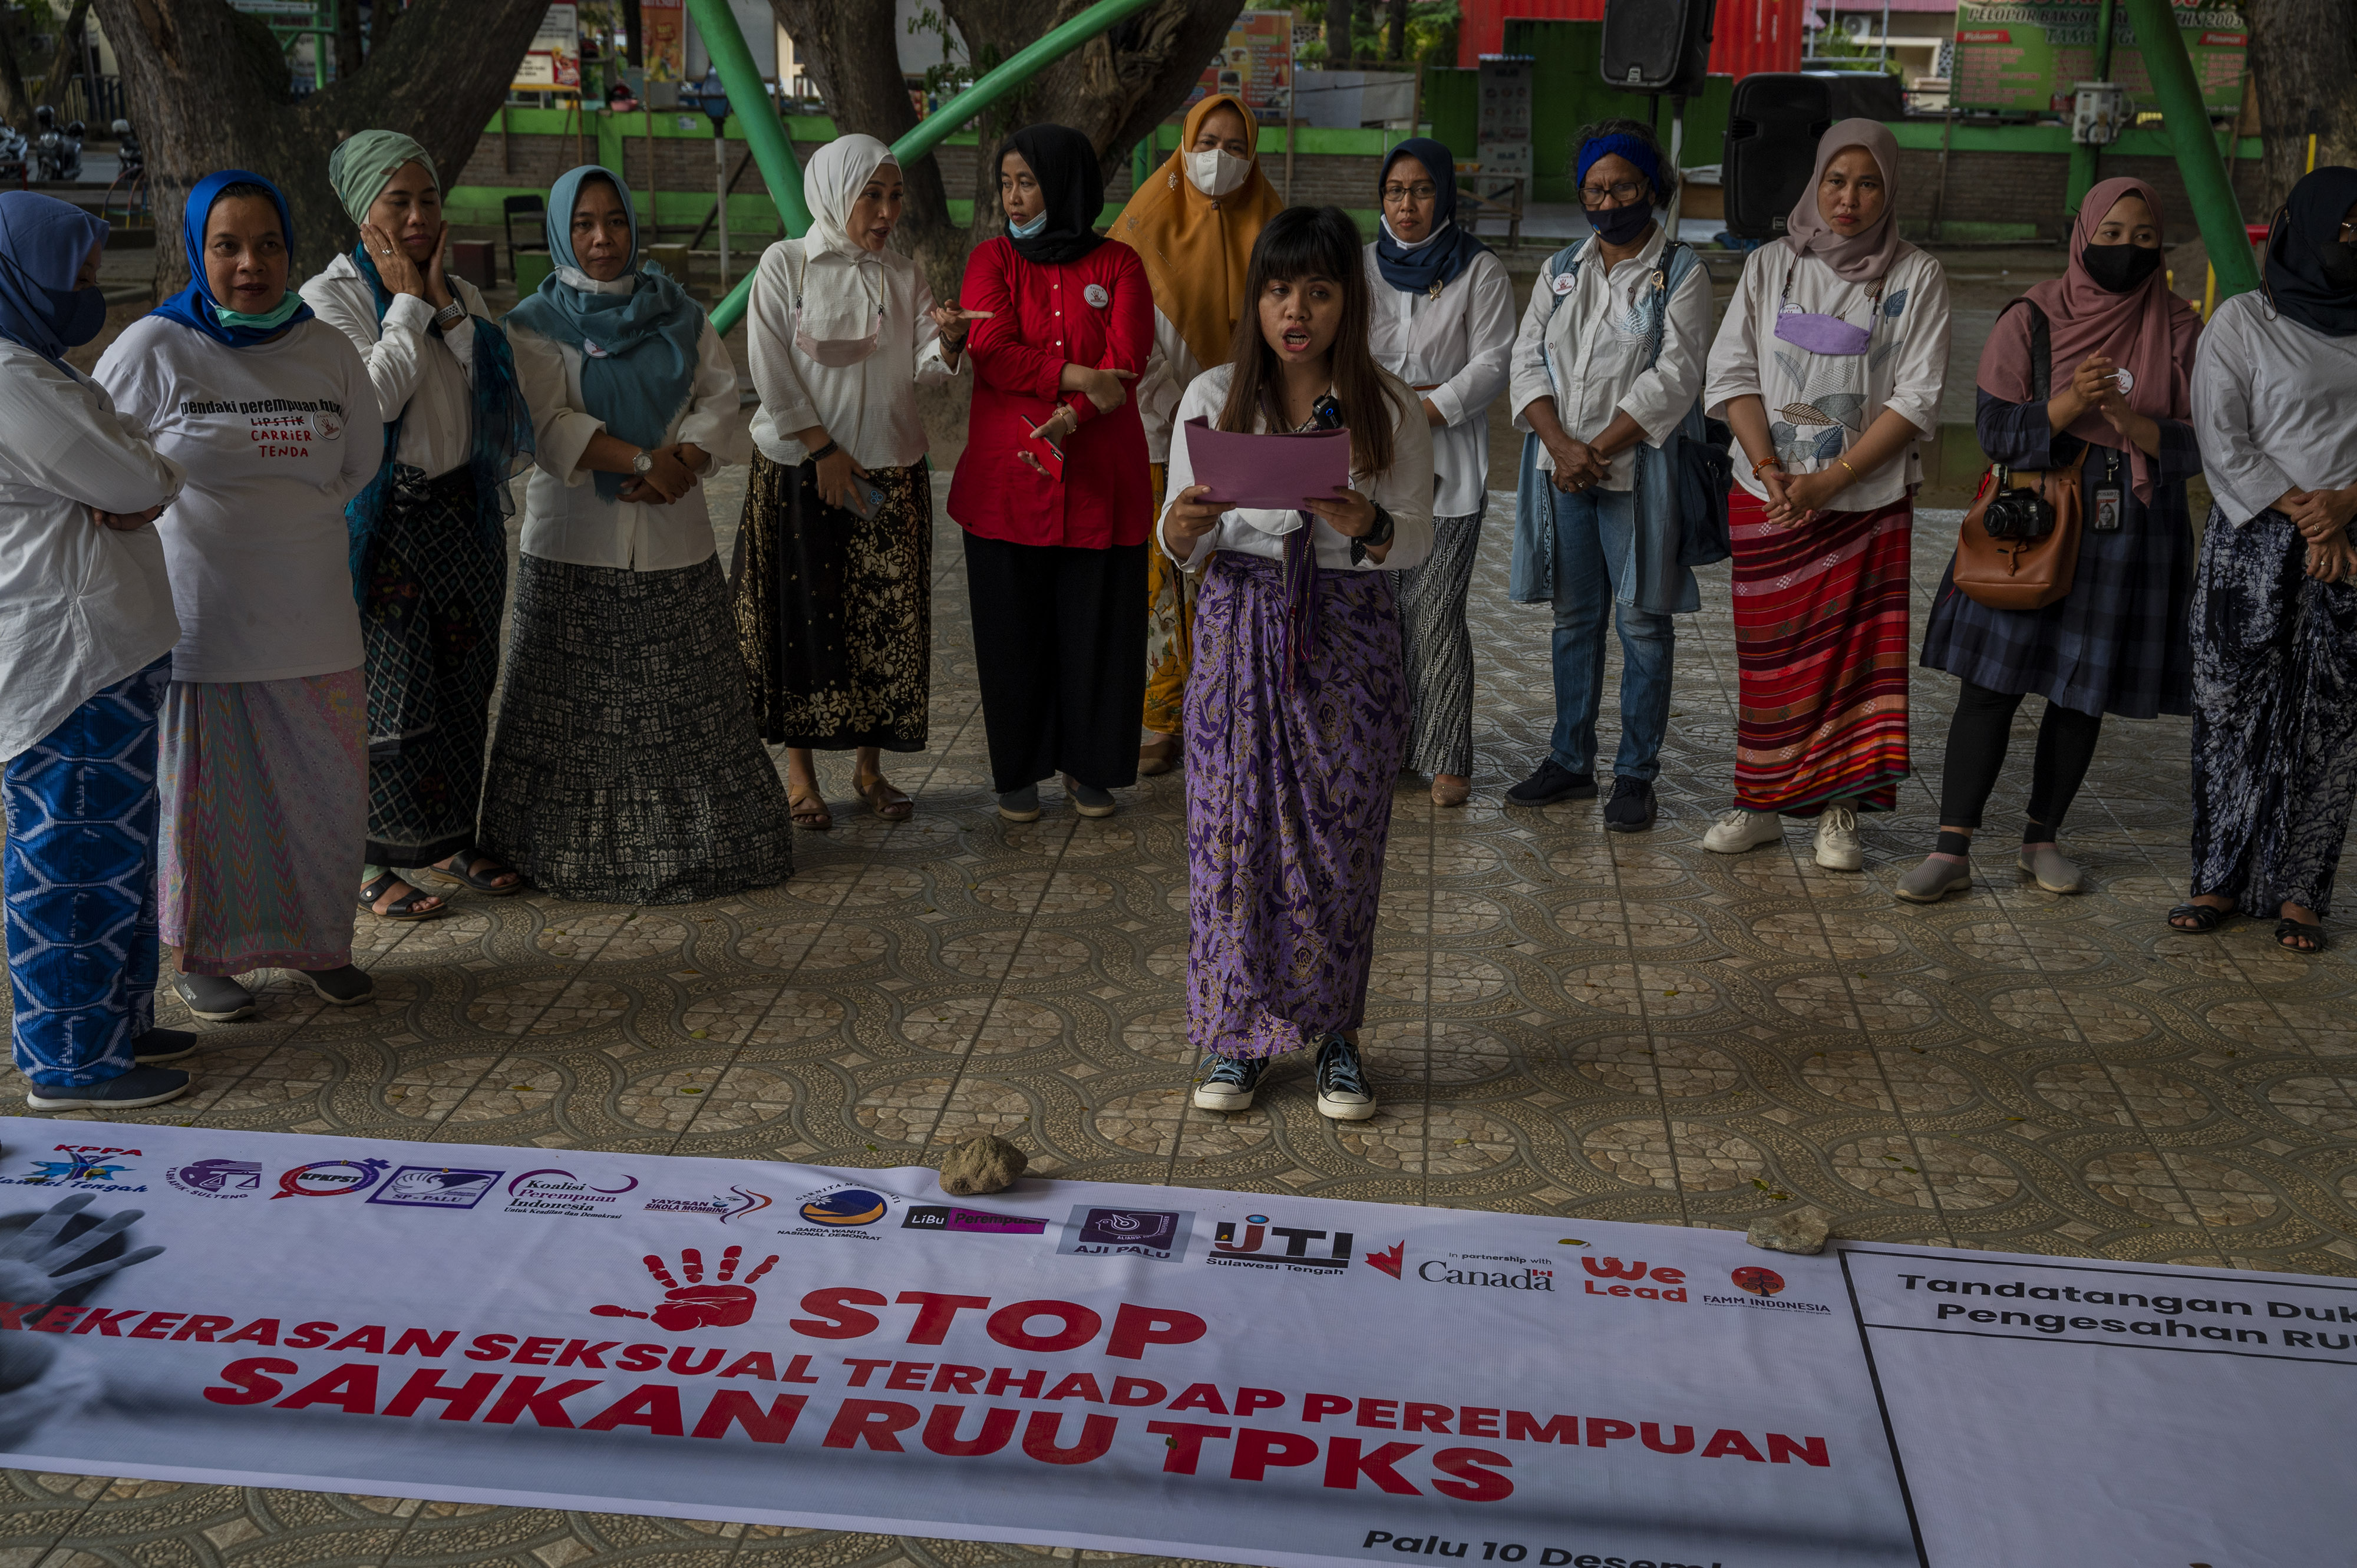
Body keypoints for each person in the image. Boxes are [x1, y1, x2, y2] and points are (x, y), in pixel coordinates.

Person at [1161, 206, 1434, 1121]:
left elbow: (1415, 544)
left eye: (1319, 290)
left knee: (1338, 844)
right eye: (1279, 288)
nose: (1297, 310)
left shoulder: (1388, 408)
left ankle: (1337, 1038)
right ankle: (1236, 1036)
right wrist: (1184, 529)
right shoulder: (1210, 397)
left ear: (1348, 302)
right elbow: (1177, 543)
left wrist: (1369, 525)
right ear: (1256, 300)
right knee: (1233, 842)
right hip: (1238, 635)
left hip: (1347, 637)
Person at [95, 170, 383, 1024]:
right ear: (197, 250)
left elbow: (359, 461)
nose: (250, 264)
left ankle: (320, 944)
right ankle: (209, 960)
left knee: (325, 799)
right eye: (227, 246)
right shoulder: (155, 347)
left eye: (267, 245)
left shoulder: (325, 347)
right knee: (212, 810)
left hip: (317, 617)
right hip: (204, 624)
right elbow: (98, 454)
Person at [483, 164, 788, 905]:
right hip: (575, 545)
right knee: (572, 705)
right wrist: (648, 458)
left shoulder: (678, 312)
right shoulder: (531, 323)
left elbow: (718, 397)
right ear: (562, 231)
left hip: (672, 539)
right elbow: (545, 422)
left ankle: (710, 847)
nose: (600, 239)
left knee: (684, 703)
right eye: (583, 224)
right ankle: (558, 849)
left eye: (614, 221)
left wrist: (684, 460)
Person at [1909, 177, 2201, 903]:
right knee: (1991, 687)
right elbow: (1994, 432)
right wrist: (2070, 404)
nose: (2125, 251)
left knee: (2081, 694)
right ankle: (1951, 848)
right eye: (2111, 235)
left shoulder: (2181, 327)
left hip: (2131, 530)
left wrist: (2138, 429)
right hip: (2033, 523)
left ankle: (2041, 839)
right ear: (2082, 235)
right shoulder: (2032, 318)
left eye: (2142, 239)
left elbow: (2213, 443)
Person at [1702, 120, 1950, 871]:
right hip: (1767, 495)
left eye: (1867, 182)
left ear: (1889, 189)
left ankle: (1839, 810)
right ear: (1815, 182)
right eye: (1835, 181)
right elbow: (1732, 372)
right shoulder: (1771, 265)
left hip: (1864, 506)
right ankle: (1762, 800)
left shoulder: (1916, 277)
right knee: (1770, 658)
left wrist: (1832, 480)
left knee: (1853, 662)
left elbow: (1916, 399)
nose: (1848, 199)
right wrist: (1771, 466)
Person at [301, 130, 535, 922]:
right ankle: (373, 861)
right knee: (392, 696)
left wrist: (445, 309)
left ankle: (448, 837)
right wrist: (406, 302)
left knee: (467, 687)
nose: (417, 217)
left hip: (462, 519)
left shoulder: (457, 292)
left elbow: (496, 402)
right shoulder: (330, 299)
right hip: (387, 526)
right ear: (360, 211)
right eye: (397, 202)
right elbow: (367, 406)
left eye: (427, 199)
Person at [0, 192, 192, 1109]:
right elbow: (133, 470)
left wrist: (142, 477)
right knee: (70, 858)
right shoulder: (9, 381)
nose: (89, 293)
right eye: (71, 277)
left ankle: (117, 1021)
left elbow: (138, 464)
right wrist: (144, 479)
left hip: (107, 656)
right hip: (66, 664)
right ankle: (70, 1059)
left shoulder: (43, 369)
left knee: (115, 854)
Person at [732, 134, 967, 830]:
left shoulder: (901, 274)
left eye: (895, 196)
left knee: (884, 623)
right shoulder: (786, 264)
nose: (887, 210)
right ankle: (801, 779)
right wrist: (822, 448)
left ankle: (870, 769)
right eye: (873, 194)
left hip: (889, 470)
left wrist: (947, 340)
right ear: (836, 192)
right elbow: (768, 365)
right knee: (805, 623)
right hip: (802, 473)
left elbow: (922, 362)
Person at [1502, 120, 1711, 831]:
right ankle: (1569, 762)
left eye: (1622, 185)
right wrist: (1561, 446)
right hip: (1562, 473)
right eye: (1595, 187)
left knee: (1644, 623)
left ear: (1651, 187)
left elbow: (1674, 378)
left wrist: (1594, 450)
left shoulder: (1681, 271)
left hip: (1637, 476)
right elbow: (1525, 359)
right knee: (1574, 619)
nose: (1608, 198)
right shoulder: (1562, 268)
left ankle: (1635, 775)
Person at [2174, 166, 2357, 953]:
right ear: (2301, 229)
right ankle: (2218, 877)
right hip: (2253, 542)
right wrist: (2306, 509)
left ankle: (2302, 893)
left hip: (2349, 541)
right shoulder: (2245, 321)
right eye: (2340, 231)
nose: (2350, 245)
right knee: (2234, 710)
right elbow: (2222, 436)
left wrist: (2345, 505)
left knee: (2332, 718)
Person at [950, 123, 1154, 822]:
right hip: (1008, 481)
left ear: (1064, 185)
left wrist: (1074, 413)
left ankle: (1090, 766)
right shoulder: (990, 262)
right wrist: (1077, 377)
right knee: (1013, 630)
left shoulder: (1120, 265)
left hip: (1102, 480)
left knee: (1097, 627)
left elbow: (1126, 365)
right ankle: (1019, 770)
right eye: (1005, 182)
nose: (1012, 196)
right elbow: (993, 353)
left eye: (1027, 181)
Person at [1108, 93, 1285, 779]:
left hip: (1244, 423)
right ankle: (1159, 715)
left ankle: (1225, 704)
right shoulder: (1141, 224)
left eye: (1237, 147)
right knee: (1159, 576)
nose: (1221, 158)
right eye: (1207, 142)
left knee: (1227, 571)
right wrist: (1175, 404)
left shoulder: (1272, 223)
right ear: (1183, 145)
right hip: (1154, 428)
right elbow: (1123, 332)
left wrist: (1228, 402)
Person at [1362, 136, 1513, 808]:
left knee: (1432, 607)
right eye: (1395, 191)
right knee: (1378, 609)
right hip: (1368, 459)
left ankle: (1448, 752)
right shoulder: (1360, 265)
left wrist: (1421, 412)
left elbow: (1491, 363)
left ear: (1444, 194)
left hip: (1446, 454)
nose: (1407, 205)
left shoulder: (1478, 271)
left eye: (1421, 190)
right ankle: (1389, 744)